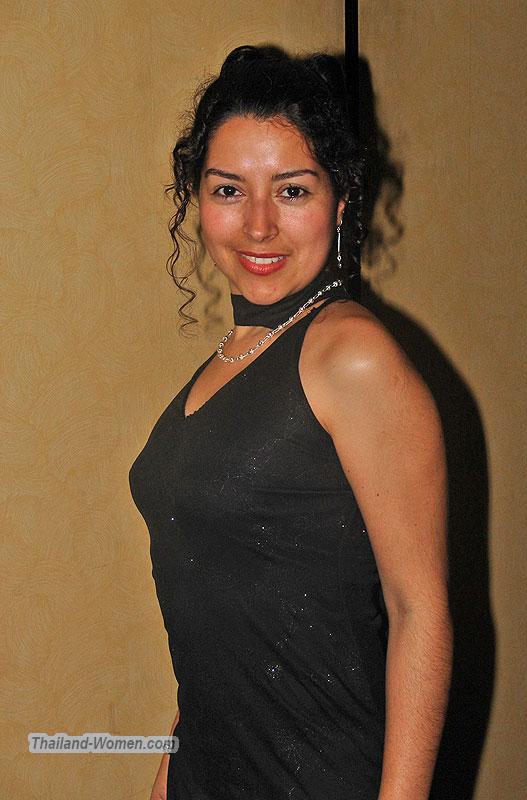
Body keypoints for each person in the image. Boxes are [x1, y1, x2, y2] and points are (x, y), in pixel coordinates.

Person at [129, 45, 452, 800]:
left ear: (339, 204)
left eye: (293, 190)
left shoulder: (350, 353)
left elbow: (419, 614)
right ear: (196, 200)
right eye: (229, 190)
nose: (259, 224)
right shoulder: (229, 360)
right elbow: (217, 626)